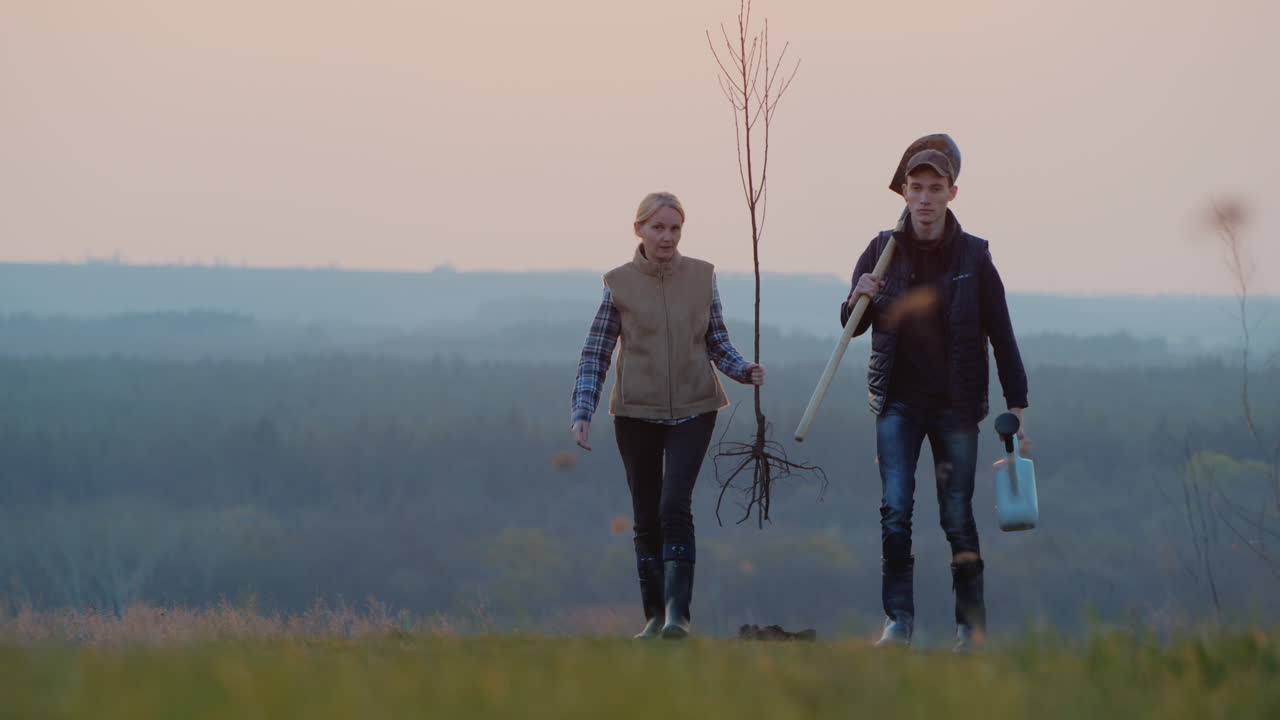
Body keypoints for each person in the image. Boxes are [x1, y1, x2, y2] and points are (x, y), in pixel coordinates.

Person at [842, 135, 1028, 651]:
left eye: (935, 188)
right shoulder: (881, 250)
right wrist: (857, 296)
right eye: (916, 188)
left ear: (952, 193)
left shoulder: (974, 255)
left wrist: (1017, 403)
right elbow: (850, 326)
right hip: (897, 402)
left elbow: (1001, 330)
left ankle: (970, 628)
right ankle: (898, 623)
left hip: (956, 405)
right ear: (904, 191)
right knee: (896, 509)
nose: (925, 198)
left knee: (956, 513)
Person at [571, 191, 765, 639]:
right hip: (635, 413)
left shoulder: (701, 277)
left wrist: (743, 370)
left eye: (675, 228)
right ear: (638, 229)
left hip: (695, 408)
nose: (667, 236)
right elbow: (596, 352)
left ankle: (679, 616)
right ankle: (654, 617)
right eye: (658, 227)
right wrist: (584, 410)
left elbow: (717, 341)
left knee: (674, 504)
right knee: (646, 514)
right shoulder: (618, 283)